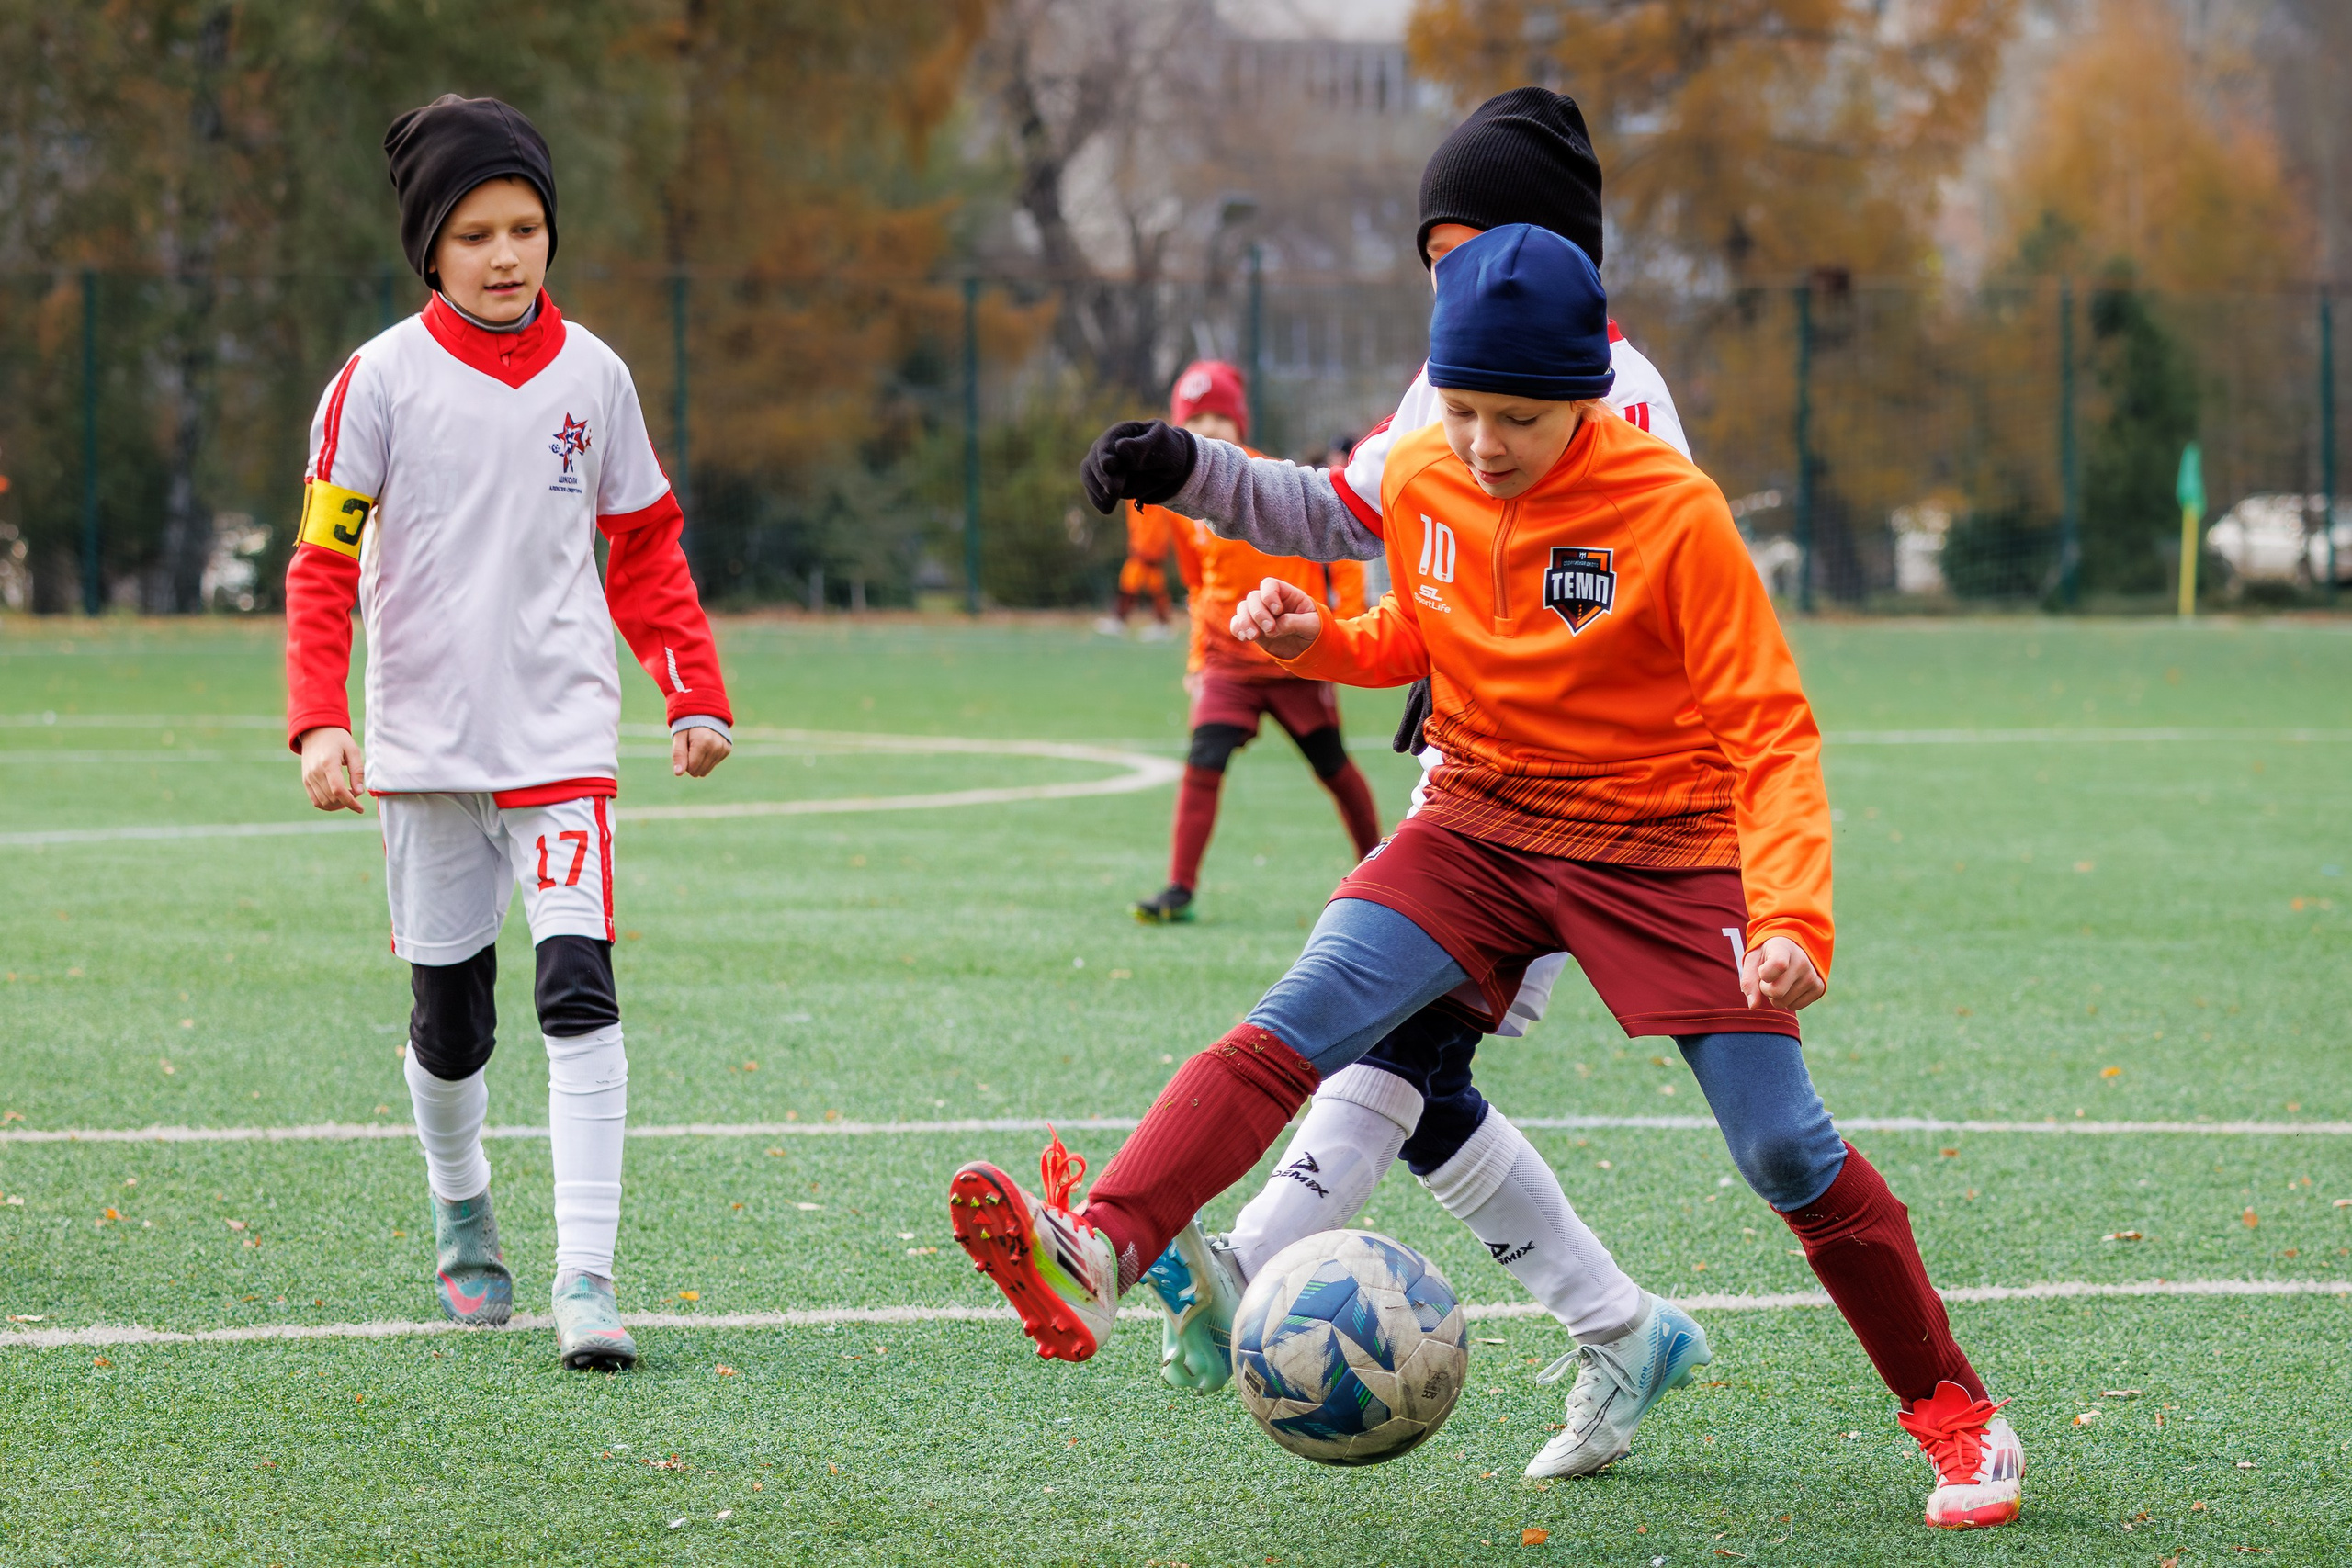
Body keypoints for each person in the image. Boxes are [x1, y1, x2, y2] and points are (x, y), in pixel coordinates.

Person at [953, 225, 2023, 1531]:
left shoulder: (1673, 513)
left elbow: (1770, 724)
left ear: (1588, 392)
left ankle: (1957, 1412)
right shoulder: (1422, 466)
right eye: (1461, 409)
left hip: (1660, 845)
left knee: (1783, 1141)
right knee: (1303, 1015)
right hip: (1477, 820)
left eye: (1516, 417)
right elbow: (1435, 626)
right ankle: (1105, 1243)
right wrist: (1332, 637)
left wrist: (1792, 913)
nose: (1481, 443)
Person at [1092, 88, 1707, 1482]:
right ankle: (1620, 1327)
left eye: (1464, 247)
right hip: (1467, 786)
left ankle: (1238, 1253)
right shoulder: (1445, 381)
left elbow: (1628, 607)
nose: (1442, 280)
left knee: (1389, 1045)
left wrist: (1476, 664)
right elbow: (1342, 510)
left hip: (1570, 809)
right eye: (1432, 255)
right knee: (1415, 1067)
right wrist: (1187, 467)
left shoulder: (1628, 396)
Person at [284, 94, 734, 1371]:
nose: (504, 253)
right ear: (432, 244)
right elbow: (322, 567)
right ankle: (460, 1197)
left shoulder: (596, 375)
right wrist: (322, 720)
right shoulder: (375, 381)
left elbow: (646, 546)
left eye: (525, 226)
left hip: (559, 744)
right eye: (476, 230)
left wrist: (691, 689)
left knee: (579, 992)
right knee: (451, 1025)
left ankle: (585, 1276)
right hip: (424, 754)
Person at [1129, 361, 1383, 925]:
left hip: (1293, 659)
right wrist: (1198, 657)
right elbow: (1198, 585)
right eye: (1197, 419)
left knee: (1334, 767)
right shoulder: (1181, 506)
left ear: (1240, 422)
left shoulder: (1271, 482)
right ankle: (1179, 887)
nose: (1212, 427)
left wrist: (1346, 621)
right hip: (1226, 661)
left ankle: (1379, 876)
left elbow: (1341, 544)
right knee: (1203, 760)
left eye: (1221, 415)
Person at [1097, 497, 1177, 639]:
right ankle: (1161, 623)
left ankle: (1121, 620)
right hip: (1144, 542)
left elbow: (1154, 518)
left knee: (1132, 579)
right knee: (1151, 583)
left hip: (1148, 545)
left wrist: (1147, 545)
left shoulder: (1148, 490)